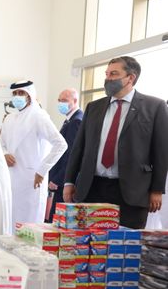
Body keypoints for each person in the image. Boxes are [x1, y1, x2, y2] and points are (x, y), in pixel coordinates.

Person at [64, 56, 168, 229]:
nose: (108, 79)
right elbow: (79, 147)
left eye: (114, 74)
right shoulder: (93, 107)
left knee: (126, 245)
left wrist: (157, 190)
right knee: (90, 243)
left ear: (131, 78)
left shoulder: (154, 107)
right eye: (106, 74)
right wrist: (69, 182)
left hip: (131, 190)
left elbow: (161, 152)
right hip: (92, 187)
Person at [0, 80, 67, 228]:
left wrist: (42, 171)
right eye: (15, 93)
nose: (17, 97)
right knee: (9, 222)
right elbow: (1, 143)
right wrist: (4, 154)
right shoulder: (10, 118)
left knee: (28, 226)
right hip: (11, 178)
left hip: (32, 181)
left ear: (30, 95)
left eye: (21, 93)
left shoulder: (39, 116)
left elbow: (61, 144)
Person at [46, 88, 83, 222]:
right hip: (62, 178)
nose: (61, 103)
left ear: (75, 101)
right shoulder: (69, 119)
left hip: (64, 181)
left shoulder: (76, 121)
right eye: (59, 100)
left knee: (57, 219)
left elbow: (71, 154)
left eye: (64, 100)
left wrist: (58, 178)